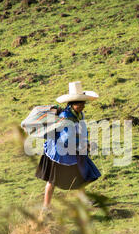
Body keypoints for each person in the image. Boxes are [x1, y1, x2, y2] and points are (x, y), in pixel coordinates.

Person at [35, 81, 101, 221]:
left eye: (83, 103)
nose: (82, 106)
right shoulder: (66, 117)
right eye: (79, 104)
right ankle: (46, 207)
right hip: (59, 152)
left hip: (73, 150)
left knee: (80, 175)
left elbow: (81, 130)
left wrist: (85, 142)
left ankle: (84, 200)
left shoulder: (79, 115)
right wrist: (81, 145)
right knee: (52, 180)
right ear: (71, 104)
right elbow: (66, 139)